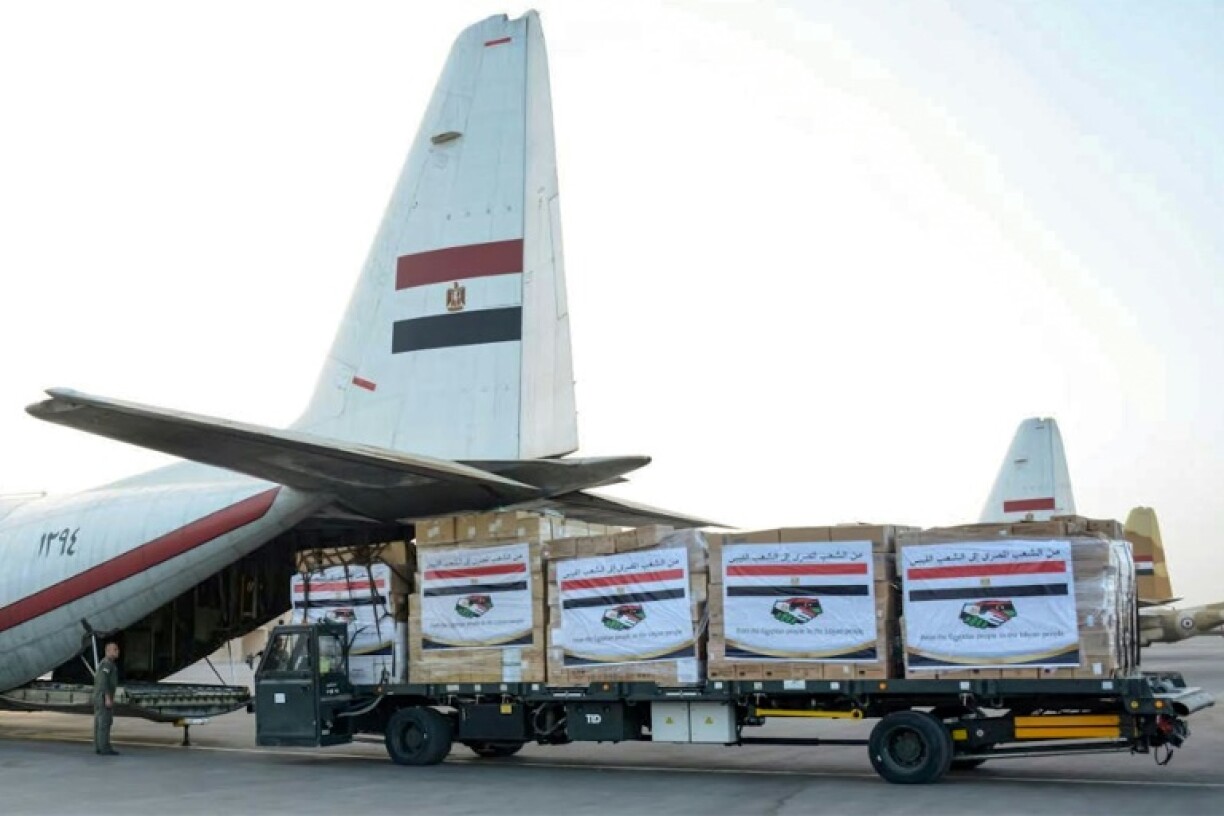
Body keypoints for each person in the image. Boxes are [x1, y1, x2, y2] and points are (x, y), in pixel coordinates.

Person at [93, 641, 121, 756]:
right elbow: (103, 682)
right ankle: (104, 748)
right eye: (115, 650)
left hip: (100, 697)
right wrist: (107, 697)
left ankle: (99, 746)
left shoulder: (106, 663)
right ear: (108, 651)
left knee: (99, 723)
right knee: (104, 722)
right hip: (103, 697)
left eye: (117, 649)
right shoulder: (107, 664)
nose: (117, 652)